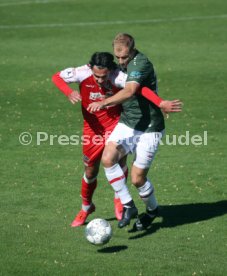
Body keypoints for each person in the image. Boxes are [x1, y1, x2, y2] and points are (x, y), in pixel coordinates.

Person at [87, 33, 183, 230]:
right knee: (108, 158)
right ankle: (128, 205)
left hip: (149, 127)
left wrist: (103, 103)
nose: (121, 61)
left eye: (124, 57)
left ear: (132, 50)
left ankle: (152, 210)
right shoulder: (119, 63)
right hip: (128, 122)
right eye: (118, 57)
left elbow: (132, 90)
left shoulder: (141, 64)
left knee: (137, 179)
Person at [52, 52, 129, 227]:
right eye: (96, 76)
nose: (100, 80)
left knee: (118, 162)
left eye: (104, 76)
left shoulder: (119, 76)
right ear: (90, 69)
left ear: (110, 70)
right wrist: (68, 92)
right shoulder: (81, 72)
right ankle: (86, 207)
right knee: (90, 172)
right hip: (92, 129)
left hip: (116, 126)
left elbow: (134, 89)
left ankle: (119, 200)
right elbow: (56, 77)